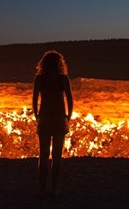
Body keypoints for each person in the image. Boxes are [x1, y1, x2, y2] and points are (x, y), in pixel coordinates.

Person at [32, 50, 73, 198]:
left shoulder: (39, 79)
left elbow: (34, 100)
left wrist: (37, 116)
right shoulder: (63, 79)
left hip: (44, 119)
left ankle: (42, 189)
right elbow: (70, 99)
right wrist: (68, 117)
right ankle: (55, 188)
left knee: (43, 156)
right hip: (59, 119)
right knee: (57, 157)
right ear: (59, 63)